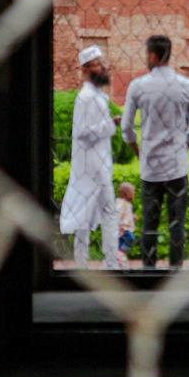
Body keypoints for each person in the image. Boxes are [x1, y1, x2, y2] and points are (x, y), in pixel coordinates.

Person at [120, 34, 189, 270]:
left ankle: (148, 270)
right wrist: (185, 146)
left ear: (153, 55)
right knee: (177, 224)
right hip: (177, 166)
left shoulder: (138, 86)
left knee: (149, 224)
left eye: (147, 54)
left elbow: (126, 126)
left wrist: (137, 149)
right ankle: (175, 269)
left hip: (151, 167)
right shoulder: (187, 86)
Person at [58, 45, 119, 270]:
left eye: (104, 64)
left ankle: (81, 261)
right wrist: (111, 124)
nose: (104, 68)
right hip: (93, 165)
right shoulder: (86, 98)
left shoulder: (96, 96)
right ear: (86, 69)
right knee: (109, 212)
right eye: (98, 64)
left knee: (85, 213)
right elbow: (82, 132)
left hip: (94, 163)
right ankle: (112, 263)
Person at [116, 181, 136, 268]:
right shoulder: (121, 203)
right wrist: (119, 225)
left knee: (119, 244)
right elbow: (118, 214)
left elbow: (125, 214)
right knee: (130, 238)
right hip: (123, 229)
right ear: (125, 194)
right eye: (132, 193)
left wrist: (132, 216)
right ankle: (120, 253)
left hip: (123, 229)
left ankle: (120, 258)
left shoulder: (126, 203)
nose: (134, 195)